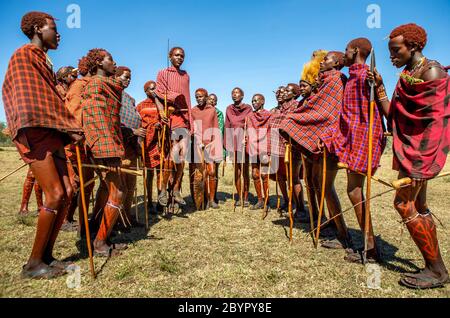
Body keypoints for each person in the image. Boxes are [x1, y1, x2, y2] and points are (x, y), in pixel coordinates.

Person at [2, 11, 82, 279]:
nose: (57, 33)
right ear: (37, 28)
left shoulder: (44, 61)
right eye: (52, 28)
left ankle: (47, 255)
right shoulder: (24, 55)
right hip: (35, 130)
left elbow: (52, 99)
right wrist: (69, 125)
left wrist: (67, 127)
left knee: (68, 190)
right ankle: (33, 263)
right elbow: (31, 99)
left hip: (53, 132)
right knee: (55, 194)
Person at [369, 23, 449, 289]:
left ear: (413, 46)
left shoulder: (432, 71)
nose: (392, 56)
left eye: (396, 51)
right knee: (419, 207)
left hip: (422, 153)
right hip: (412, 152)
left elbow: (436, 125)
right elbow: (395, 117)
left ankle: (437, 271)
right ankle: (435, 267)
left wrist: (419, 163)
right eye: (390, 51)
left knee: (403, 205)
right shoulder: (407, 74)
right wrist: (380, 88)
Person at [281, 51, 353, 249]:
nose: (322, 62)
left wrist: (295, 120)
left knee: (326, 187)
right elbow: (316, 106)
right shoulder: (326, 81)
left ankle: (343, 235)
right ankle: (326, 222)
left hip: (329, 140)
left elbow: (328, 112)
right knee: (315, 183)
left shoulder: (336, 80)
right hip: (322, 140)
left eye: (326, 60)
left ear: (337, 63)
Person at [329, 38, 386, 263]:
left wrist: (379, 85)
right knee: (353, 191)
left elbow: (378, 110)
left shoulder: (366, 76)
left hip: (365, 137)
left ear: (355, 50)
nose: (345, 53)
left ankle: (371, 248)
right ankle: (368, 244)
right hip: (352, 138)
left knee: (354, 191)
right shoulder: (353, 77)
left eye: (346, 49)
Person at [81, 48, 127, 257]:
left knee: (112, 190)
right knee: (118, 193)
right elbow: (96, 120)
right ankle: (99, 242)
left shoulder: (108, 85)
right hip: (104, 148)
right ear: (99, 63)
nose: (114, 62)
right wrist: (108, 153)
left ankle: (100, 233)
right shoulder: (96, 85)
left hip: (110, 145)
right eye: (110, 59)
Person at [153, 47, 193, 208]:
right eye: (176, 55)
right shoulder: (163, 72)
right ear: (170, 56)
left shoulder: (186, 75)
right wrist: (161, 110)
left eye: (182, 56)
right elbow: (157, 94)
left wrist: (190, 119)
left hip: (185, 118)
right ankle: (163, 190)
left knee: (182, 157)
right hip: (171, 116)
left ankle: (176, 189)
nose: (179, 58)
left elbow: (188, 98)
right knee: (172, 154)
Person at [115, 66, 146, 229]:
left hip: (132, 147)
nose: (128, 80)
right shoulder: (113, 95)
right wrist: (132, 130)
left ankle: (128, 216)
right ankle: (118, 219)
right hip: (119, 147)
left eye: (129, 78)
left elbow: (135, 118)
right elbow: (113, 122)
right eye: (125, 77)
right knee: (122, 187)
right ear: (116, 76)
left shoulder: (129, 98)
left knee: (131, 185)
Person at [191, 88, 221, 209]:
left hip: (210, 144)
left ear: (206, 97)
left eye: (201, 96)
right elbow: (192, 128)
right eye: (197, 97)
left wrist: (213, 143)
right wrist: (196, 139)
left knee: (212, 172)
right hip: (197, 145)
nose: (199, 99)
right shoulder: (193, 111)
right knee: (199, 173)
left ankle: (211, 199)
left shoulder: (212, 110)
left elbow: (215, 128)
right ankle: (200, 199)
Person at [136, 80, 162, 215]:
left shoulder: (161, 105)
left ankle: (160, 201)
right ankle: (149, 201)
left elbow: (165, 120)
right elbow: (138, 123)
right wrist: (152, 125)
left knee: (161, 173)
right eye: (151, 89)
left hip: (160, 143)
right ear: (146, 91)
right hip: (147, 143)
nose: (154, 91)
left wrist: (160, 125)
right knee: (150, 173)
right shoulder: (140, 106)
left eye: (155, 89)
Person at [224, 87, 252, 207]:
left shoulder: (248, 108)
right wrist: (228, 144)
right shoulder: (229, 109)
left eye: (237, 93)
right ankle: (239, 196)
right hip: (234, 141)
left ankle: (246, 197)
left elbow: (251, 124)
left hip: (244, 141)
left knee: (245, 170)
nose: (234, 95)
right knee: (237, 170)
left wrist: (246, 137)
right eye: (232, 93)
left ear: (242, 95)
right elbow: (228, 125)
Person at [247, 94, 271, 211]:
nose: (253, 102)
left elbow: (270, 132)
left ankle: (267, 201)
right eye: (252, 101)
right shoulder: (250, 116)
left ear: (262, 101)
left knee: (264, 175)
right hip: (253, 147)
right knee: (255, 174)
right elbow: (249, 130)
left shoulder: (269, 115)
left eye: (256, 100)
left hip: (264, 148)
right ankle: (260, 200)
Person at [208, 93, 225, 205]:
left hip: (216, 146)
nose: (211, 101)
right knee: (206, 172)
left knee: (214, 172)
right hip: (203, 145)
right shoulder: (202, 111)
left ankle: (213, 197)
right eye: (210, 99)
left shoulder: (218, 113)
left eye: (214, 100)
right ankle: (205, 195)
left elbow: (219, 129)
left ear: (216, 102)